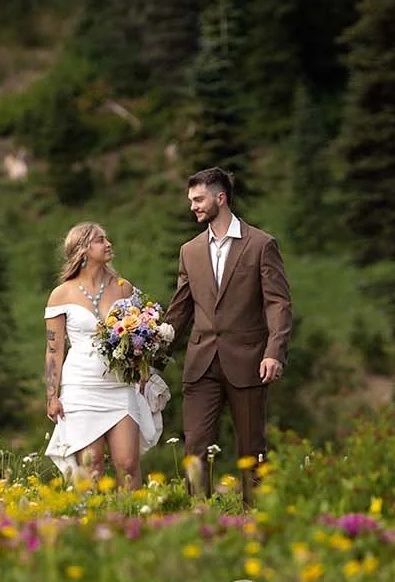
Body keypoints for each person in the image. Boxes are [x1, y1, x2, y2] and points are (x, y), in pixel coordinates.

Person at [164, 167, 292, 507]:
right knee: (195, 447)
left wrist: (274, 352)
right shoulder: (189, 251)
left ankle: (256, 518)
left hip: (249, 360)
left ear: (221, 198)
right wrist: (151, 352)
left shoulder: (261, 244)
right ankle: (199, 516)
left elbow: (278, 302)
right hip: (201, 362)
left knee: (252, 448)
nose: (192, 206)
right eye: (191, 200)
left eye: (198, 199)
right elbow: (180, 309)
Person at [42, 222, 166, 488]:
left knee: (128, 464)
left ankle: (134, 523)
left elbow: (140, 335)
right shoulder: (61, 294)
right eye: (100, 240)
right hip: (81, 388)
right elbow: (54, 349)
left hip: (120, 386)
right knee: (91, 465)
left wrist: (142, 365)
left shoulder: (123, 288)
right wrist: (52, 396)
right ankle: (93, 524)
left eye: (106, 238)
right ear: (83, 250)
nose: (108, 244)